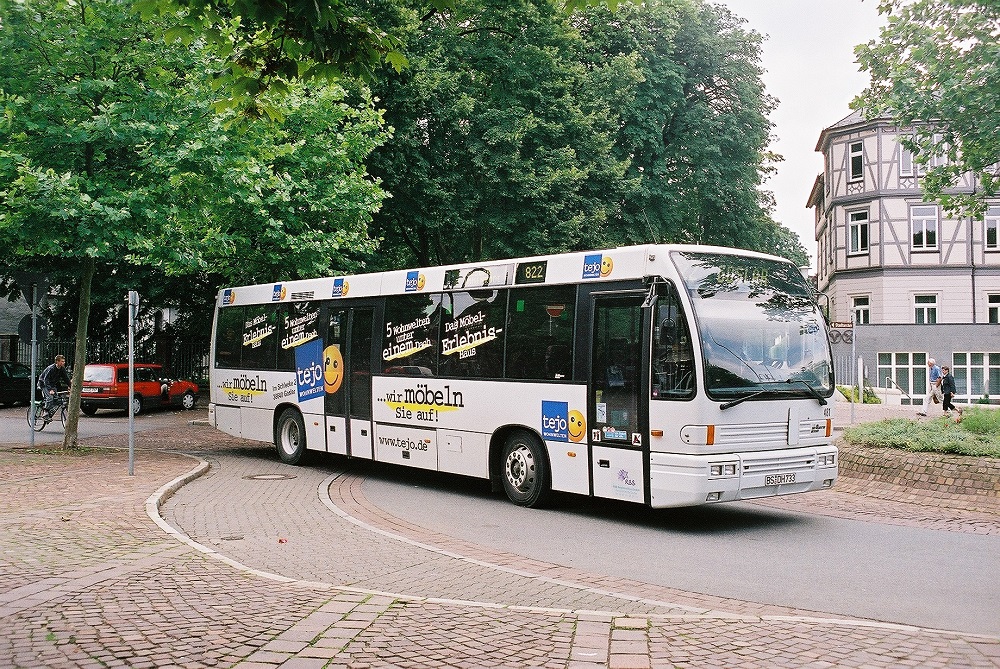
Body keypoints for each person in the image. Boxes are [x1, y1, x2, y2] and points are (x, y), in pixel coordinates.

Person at [38, 354, 71, 420]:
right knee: (50, 398)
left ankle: (49, 413)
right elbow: (45, 379)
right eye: (62, 361)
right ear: (57, 362)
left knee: (56, 399)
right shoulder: (51, 368)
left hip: (52, 384)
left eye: (64, 361)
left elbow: (66, 378)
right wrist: (50, 390)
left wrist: (70, 386)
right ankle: (45, 412)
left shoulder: (62, 369)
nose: (63, 363)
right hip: (44, 384)